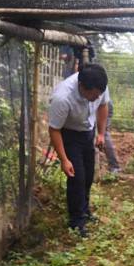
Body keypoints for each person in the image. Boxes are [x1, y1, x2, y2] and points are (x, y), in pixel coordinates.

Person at [48, 64, 109, 237]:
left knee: (88, 175)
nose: (97, 97)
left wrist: (101, 134)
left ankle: (84, 211)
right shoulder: (63, 97)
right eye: (93, 95)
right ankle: (76, 221)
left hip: (87, 133)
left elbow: (103, 106)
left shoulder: (99, 85)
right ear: (82, 86)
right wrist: (64, 159)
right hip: (69, 135)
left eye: (99, 93)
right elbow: (54, 130)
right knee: (77, 177)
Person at [104, 100, 121, 173]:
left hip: (102, 104)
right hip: (107, 102)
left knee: (103, 133)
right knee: (104, 133)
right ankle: (114, 166)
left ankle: (114, 166)